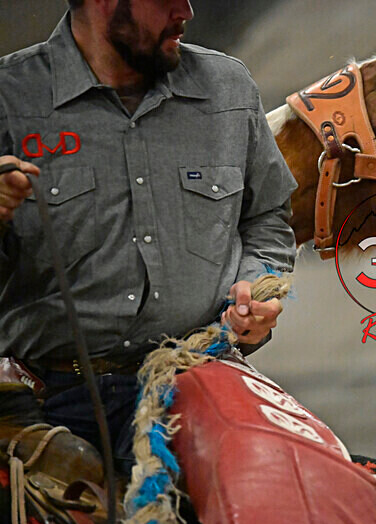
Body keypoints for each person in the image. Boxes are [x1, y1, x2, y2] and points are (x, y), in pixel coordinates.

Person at [0, 0, 297, 473]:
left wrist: (256, 286)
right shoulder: (10, 99)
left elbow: (266, 216)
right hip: (43, 407)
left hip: (199, 387)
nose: (187, 10)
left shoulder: (227, 88)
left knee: (299, 491)